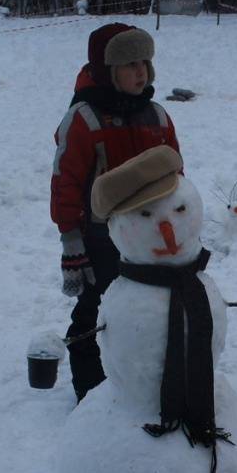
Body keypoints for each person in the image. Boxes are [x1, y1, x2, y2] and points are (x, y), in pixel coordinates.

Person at [50, 23, 180, 402]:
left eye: (144, 62)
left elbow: (175, 176)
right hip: (101, 237)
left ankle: (146, 382)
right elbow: (65, 182)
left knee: (151, 308)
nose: (140, 72)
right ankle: (90, 394)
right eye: (129, 64)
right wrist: (71, 242)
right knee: (95, 308)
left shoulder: (157, 116)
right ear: (108, 70)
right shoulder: (84, 119)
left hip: (151, 236)